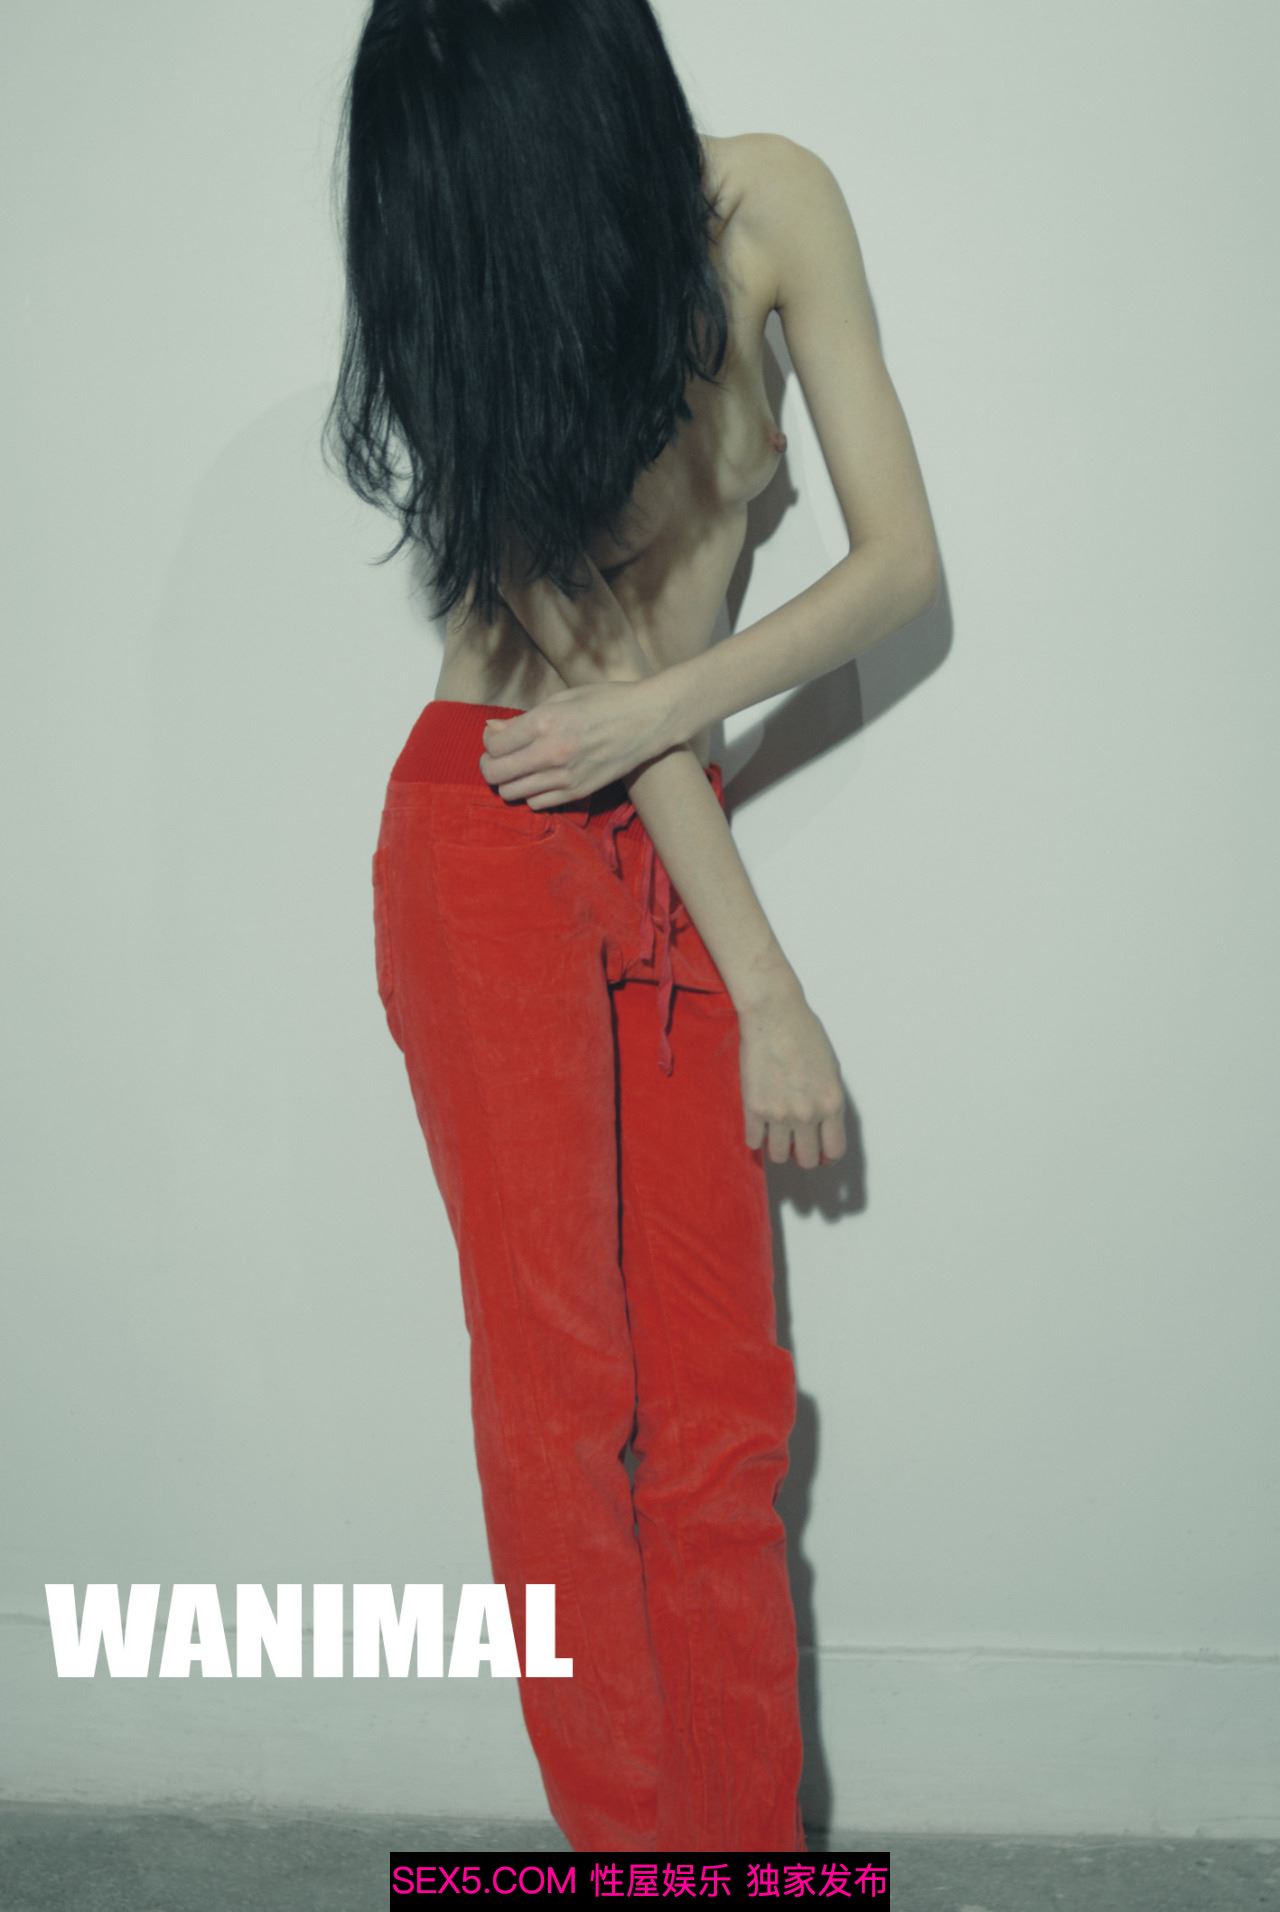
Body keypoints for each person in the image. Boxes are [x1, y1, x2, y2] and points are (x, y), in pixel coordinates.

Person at [325, 0, 940, 1856]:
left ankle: (746, 1863)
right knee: (565, 1402)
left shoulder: (774, 201)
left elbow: (899, 567)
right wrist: (768, 977)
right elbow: (579, 683)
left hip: (653, 801)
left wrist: (678, 720)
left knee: (726, 1405)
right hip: (492, 830)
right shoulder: (475, 279)